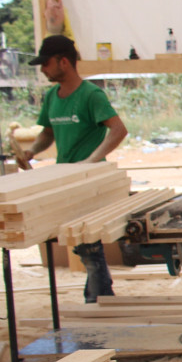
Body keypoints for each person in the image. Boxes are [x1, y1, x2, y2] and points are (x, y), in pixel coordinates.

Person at [20, 35, 128, 304]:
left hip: (89, 179)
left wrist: (92, 161)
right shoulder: (51, 97)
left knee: (89, 246)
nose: (43, 69)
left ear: (64, 62)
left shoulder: (91, 95)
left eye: (46, 64)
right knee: (82, 247)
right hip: (65, 179)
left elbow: (118, 130)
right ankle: (102, 295)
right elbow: (48, 133)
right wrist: (32, 150)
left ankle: (99, 299)